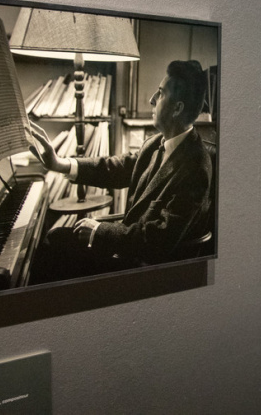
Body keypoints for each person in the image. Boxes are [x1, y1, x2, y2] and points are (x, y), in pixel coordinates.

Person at [31, 60, 213, 279]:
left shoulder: (195, 168)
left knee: (53, 249)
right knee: (55, 239)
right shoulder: (155, 143)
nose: (151, 100)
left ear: (177, 108)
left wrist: (100, 231)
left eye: (160, 94)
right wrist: (59, 163)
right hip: (129, 248)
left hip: (146, 269)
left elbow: (157, 241)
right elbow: (115, 168)